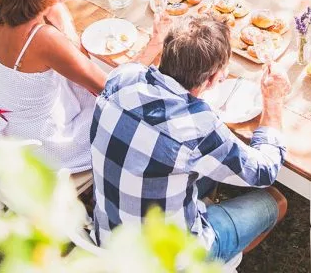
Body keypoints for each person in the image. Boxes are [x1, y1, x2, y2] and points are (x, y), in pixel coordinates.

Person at [90, 15, 291, 262]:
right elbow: (264, 171)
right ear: (211, 79)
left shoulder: (121, 78)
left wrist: (155, 41)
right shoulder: (198, 127)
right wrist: (273, 100)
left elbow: (136, 70)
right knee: (276, 200)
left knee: (201, 170)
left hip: (109, 239)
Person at [0, 0, 167, 173]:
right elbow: (114, 89)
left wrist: (60, 17)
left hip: (12, 127)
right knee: (137, 114)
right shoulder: (42, 39)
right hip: (44, 147)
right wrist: (155, 43)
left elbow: (54, 13)